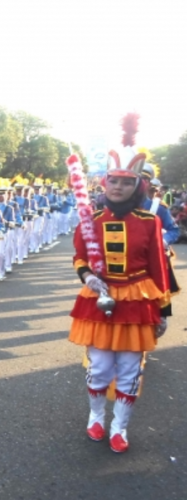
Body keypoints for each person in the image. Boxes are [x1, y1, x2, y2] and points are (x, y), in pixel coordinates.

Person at [68, 116, 169, 454]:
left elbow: (159, 268)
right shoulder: (90, 220)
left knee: (128, 371)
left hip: (138, 301)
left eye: (127, 182)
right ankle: (95, 417)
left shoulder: (150, 221)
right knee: (99, 369)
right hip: (98, 298)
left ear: (136, 185)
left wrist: (164, 310)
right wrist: (89, 277)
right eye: (114, 180)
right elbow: (80, 258)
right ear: (104, 181)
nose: (119, 187)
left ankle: (119, 427)